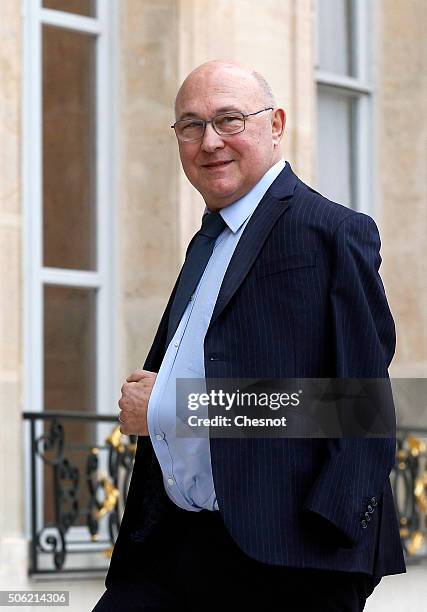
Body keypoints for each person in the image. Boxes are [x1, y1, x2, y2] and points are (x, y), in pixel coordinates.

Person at [93, 60, 406, 612]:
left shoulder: (332, 232)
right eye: (191, 125)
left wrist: (171, 405)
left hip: (286, 559)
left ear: (276, 124)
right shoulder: (208, 241)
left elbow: (360, 411)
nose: (209, 141)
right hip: (174, 548)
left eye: (229, 119)